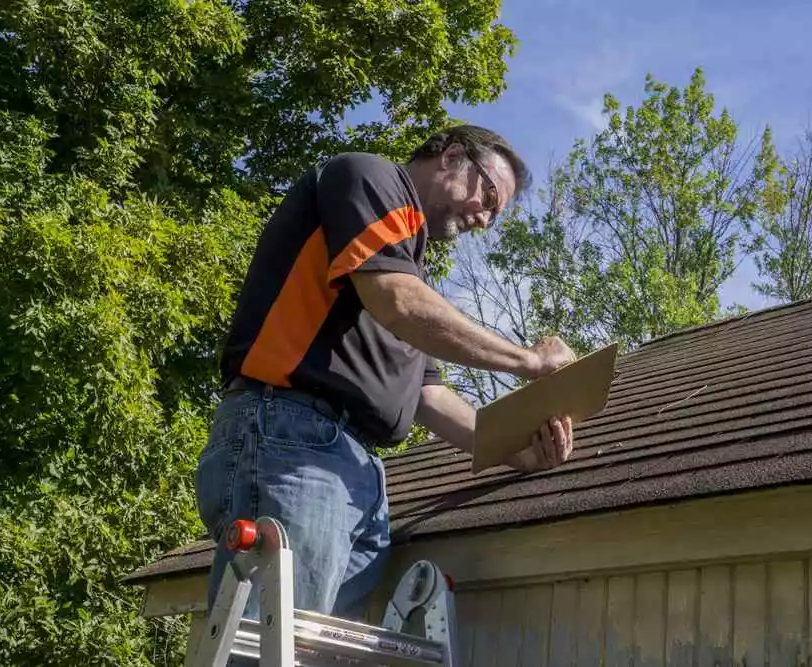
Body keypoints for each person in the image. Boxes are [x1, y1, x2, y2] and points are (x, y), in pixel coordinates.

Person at [194, 125, 577, 624]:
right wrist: (527, 360)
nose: (485, 218)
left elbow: (426, 395)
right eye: (488, 196)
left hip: (353, 471)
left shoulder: (405, 273)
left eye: (494, 214)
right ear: (453, 157)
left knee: (310, 654)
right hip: (293, 439)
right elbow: (397, 301)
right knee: (275, 645)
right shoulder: (370, 178)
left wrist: (517, 451)